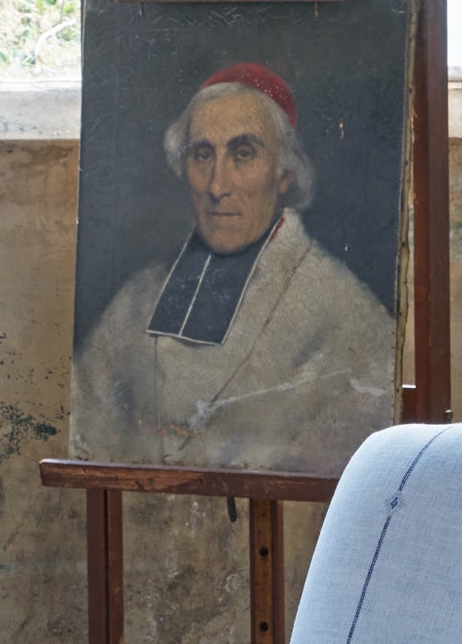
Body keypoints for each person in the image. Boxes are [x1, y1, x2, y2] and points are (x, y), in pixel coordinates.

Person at [72, 62, 397, 472]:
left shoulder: (343, 309)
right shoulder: (138, 298)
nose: (216, 185)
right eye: (202, 155)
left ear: (284, 173)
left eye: (243, 154)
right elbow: (89, 427)